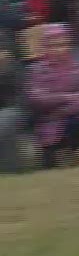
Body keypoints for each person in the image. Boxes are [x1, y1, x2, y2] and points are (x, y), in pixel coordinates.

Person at [25, 23, 79, 169]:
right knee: (48, 166)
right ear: (46, 46)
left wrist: (59, 112)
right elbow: (37, 99)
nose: (59, 50)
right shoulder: (37, 69)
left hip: (66, 118)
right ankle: (55, 151)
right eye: (53, 46)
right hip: (45, 122)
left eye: (63, 45)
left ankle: (71, 150)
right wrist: (68, 97)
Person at [0, 41, 25, 173]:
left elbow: (22, 96)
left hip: (18, 109)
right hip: (6, 110)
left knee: (3, 122)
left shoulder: (15, 68)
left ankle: (11, 169)